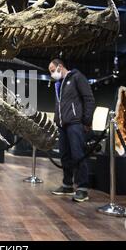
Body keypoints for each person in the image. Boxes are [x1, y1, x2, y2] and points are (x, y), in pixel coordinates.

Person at [49, 58, 95, 202]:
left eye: (52, 70)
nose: (51, 74)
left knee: (78, 155)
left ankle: (82, 188)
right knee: (64, 155)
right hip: (62, 125)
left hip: (75, 123)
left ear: (60, 67)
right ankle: (67, 184)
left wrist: (87, 121)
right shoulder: (59, 83)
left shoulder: (77, 77)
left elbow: (89, 99)